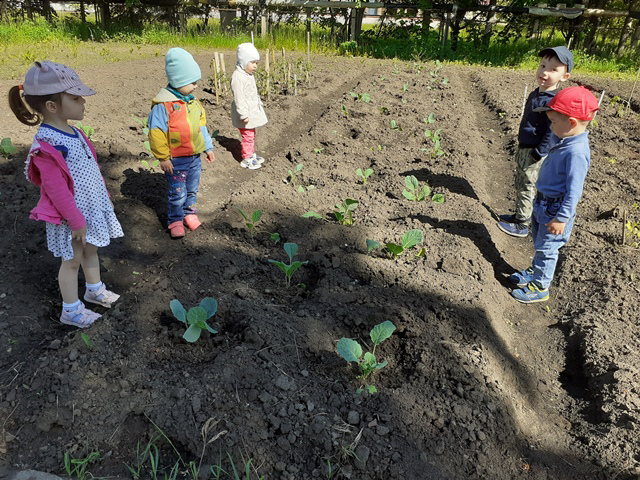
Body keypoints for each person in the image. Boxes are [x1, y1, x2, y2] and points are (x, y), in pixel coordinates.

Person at [8, 61, 123, 328]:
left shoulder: (75, 132)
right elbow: (55, 189)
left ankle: (94, 289)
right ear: (52, 106)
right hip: (70, 217)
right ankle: (71, 310)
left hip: (89, 208)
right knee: (71, 260)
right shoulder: (48, 146)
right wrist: (75, 220)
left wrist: (100, 199)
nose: (83, 101)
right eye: (75, 97)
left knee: (91, 249)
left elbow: (90, 169)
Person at [509, 86, 598, 303]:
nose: (551, 126)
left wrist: (561, 218)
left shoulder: (576, 153)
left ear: (572, 123)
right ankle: (536, 271)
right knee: (540, 244)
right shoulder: (565, 140)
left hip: (555, 209)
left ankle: (540, 287)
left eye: (554, 121)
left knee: (548, 248)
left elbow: (574, 191)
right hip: (543, 203)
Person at [497, 46, 573, 238]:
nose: (544, 72)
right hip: (525, 146)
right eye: (542, 66)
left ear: (565, 77)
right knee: (520, 181)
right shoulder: (535, 94)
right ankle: (519, 214)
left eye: (553, 69)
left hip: (535, 151)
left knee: (527, 185)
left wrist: (540, 151)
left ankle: (522, 224)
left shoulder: (553, 102)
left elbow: (552, 130)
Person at [148, 47, 215, 238]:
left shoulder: (193, 103)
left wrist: (208, 147)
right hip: (176, 161)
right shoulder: (163, 106)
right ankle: (175, 220)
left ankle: (189, 214)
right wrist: (163, 157)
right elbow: (157, 133)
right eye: (192, 82)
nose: (195, 86)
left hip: (194, 158)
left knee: (192, 189)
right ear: (178, 81)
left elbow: (202, 127)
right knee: (177, 192)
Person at [231, 42, 268, 170]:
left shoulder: (248, 75)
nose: (255, 66)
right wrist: (243, 114)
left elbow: (253, 92)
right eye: (252, 63)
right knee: (248, 136)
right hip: (244, 114)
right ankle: (246, 158)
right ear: (243, 62)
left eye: (256, 63)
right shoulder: (238, 77)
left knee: (251, 134)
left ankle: (251, 154)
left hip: (251, 111)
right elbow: (239, 99)